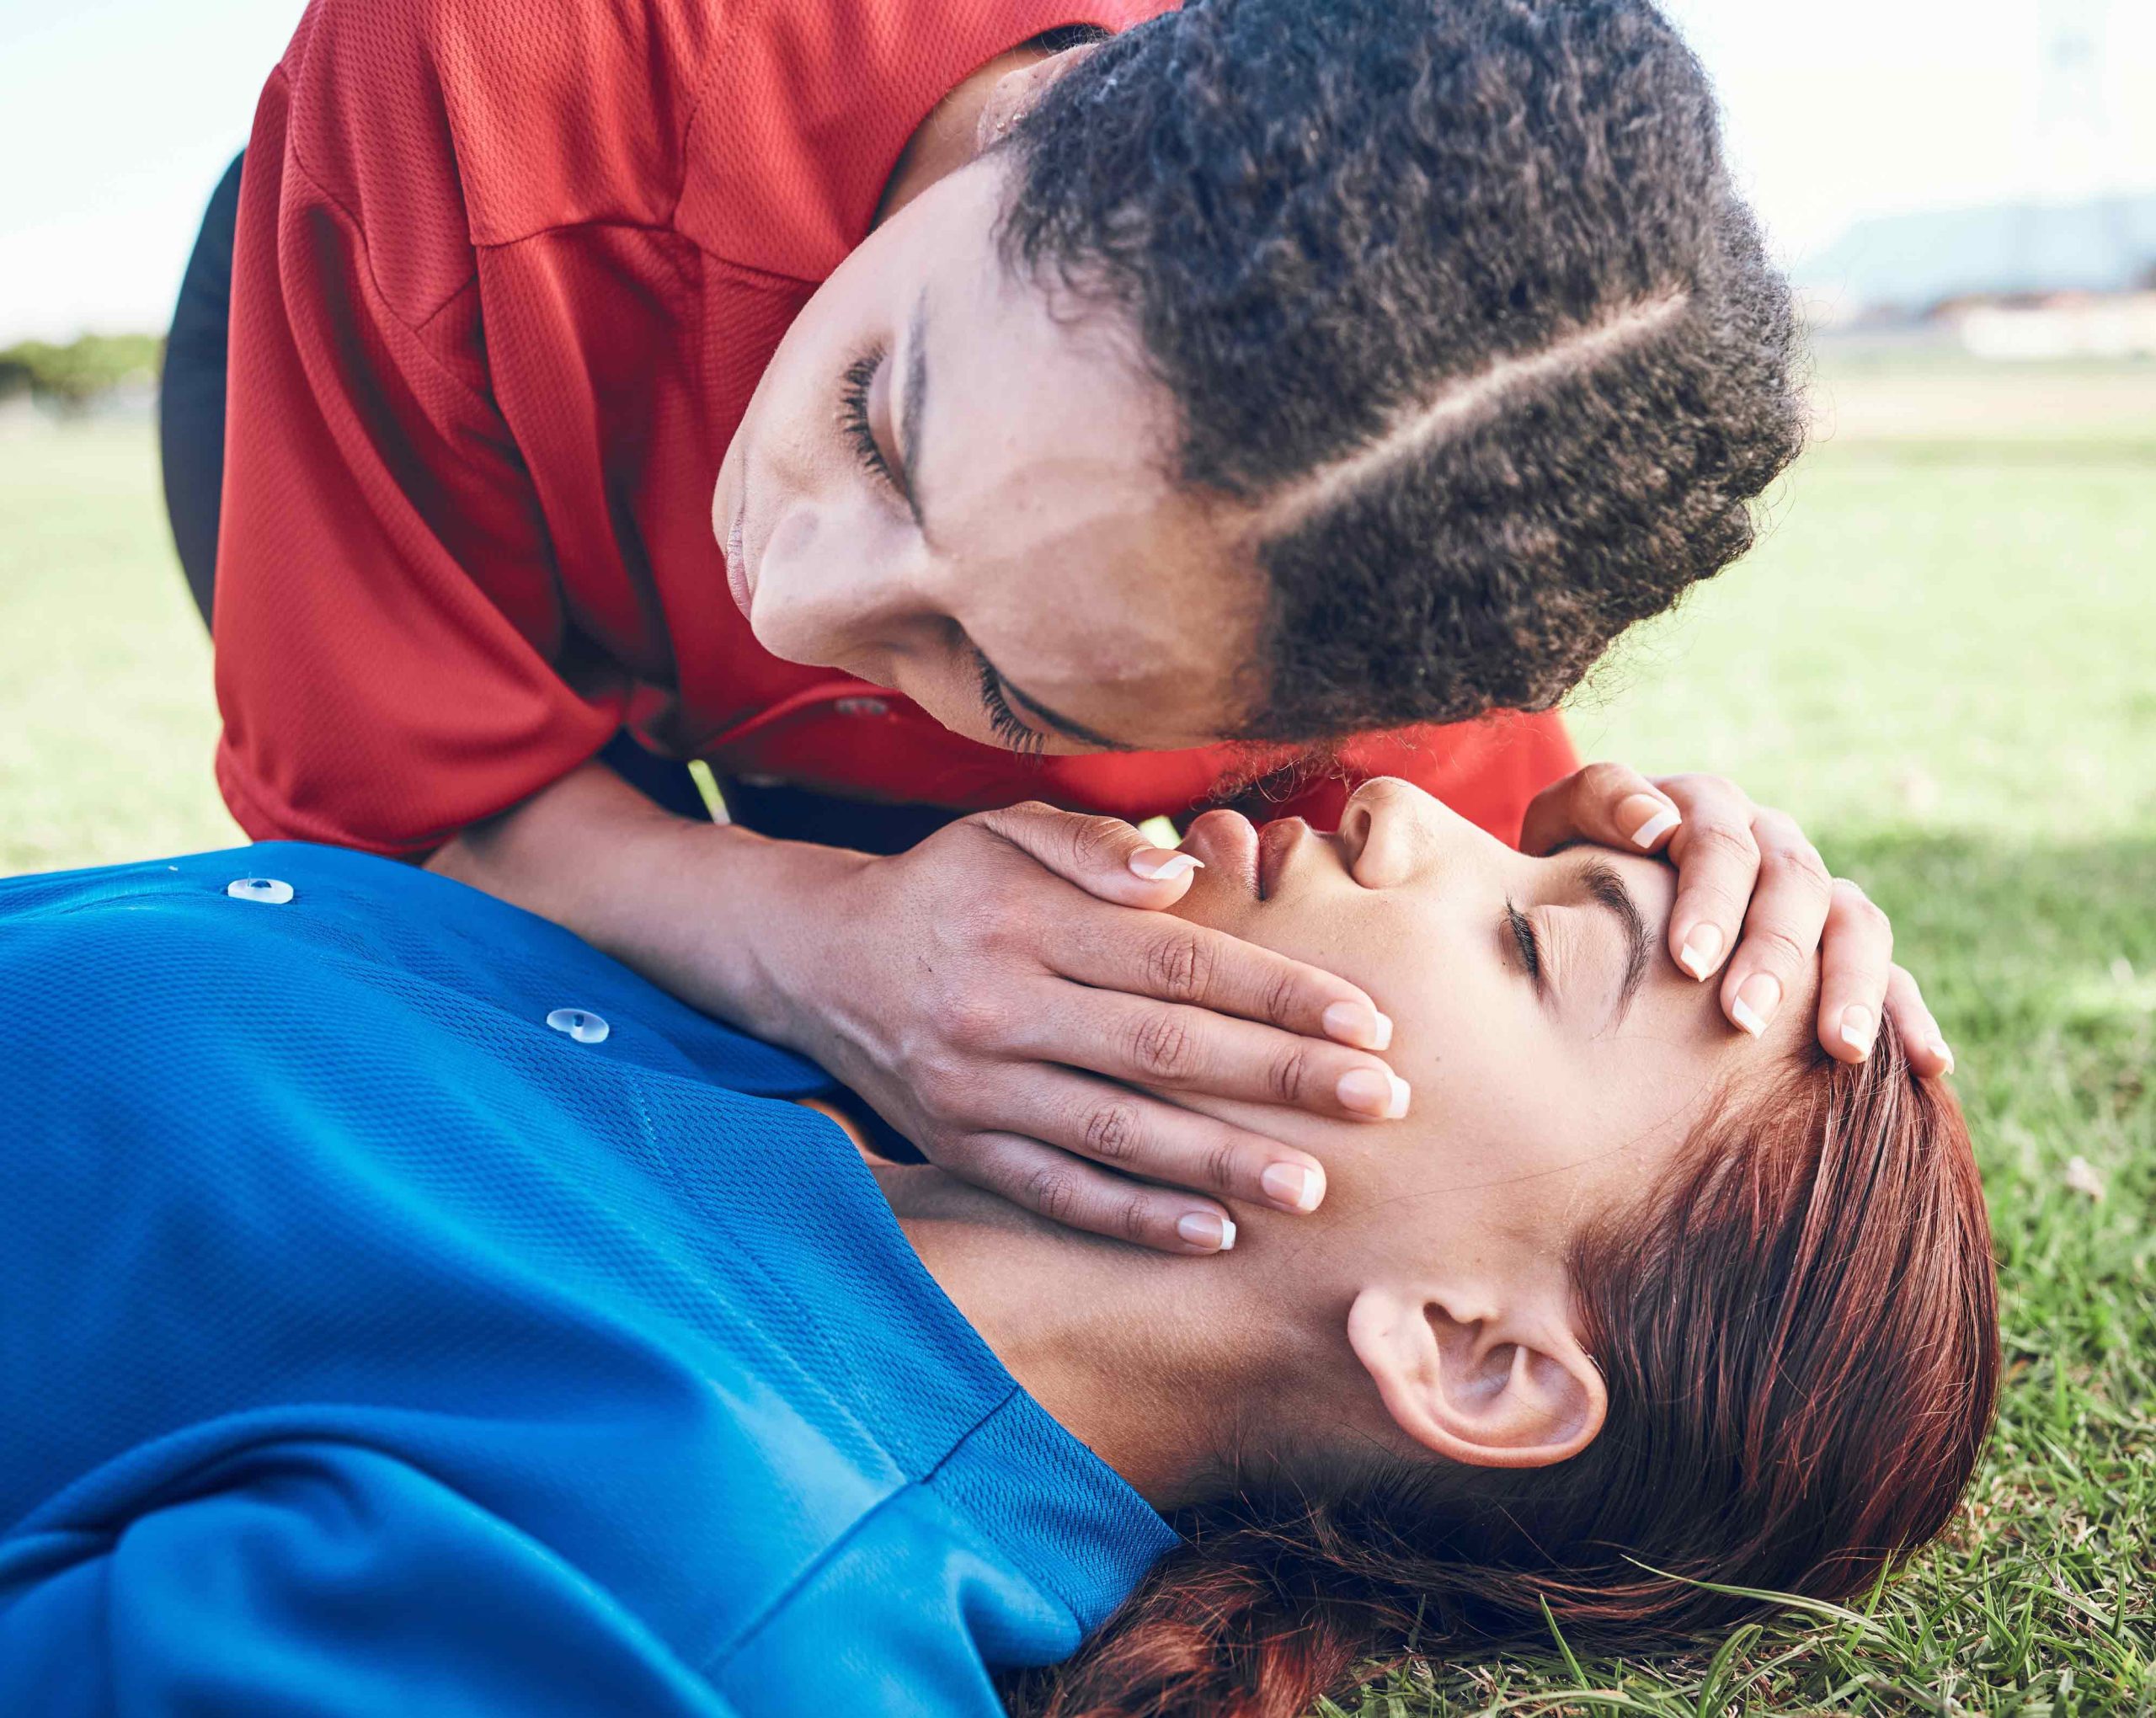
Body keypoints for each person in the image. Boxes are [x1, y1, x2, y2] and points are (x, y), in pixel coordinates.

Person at [158, 0, 1953, 1251]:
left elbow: (1490, 931)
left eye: (1000, 679)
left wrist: (1652, 880)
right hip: (404, 342)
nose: (787, 603)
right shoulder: (492, 62)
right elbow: (399, 802)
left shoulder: (1371, 604)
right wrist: (824, 941)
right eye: (879, 417)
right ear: (1057, 104)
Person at [0, 782, 1997, 1715]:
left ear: (1467, 1355)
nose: (1403, 808)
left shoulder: (711, 1589)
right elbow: (464, 844)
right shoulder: (866, 1066)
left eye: (1532, 936)